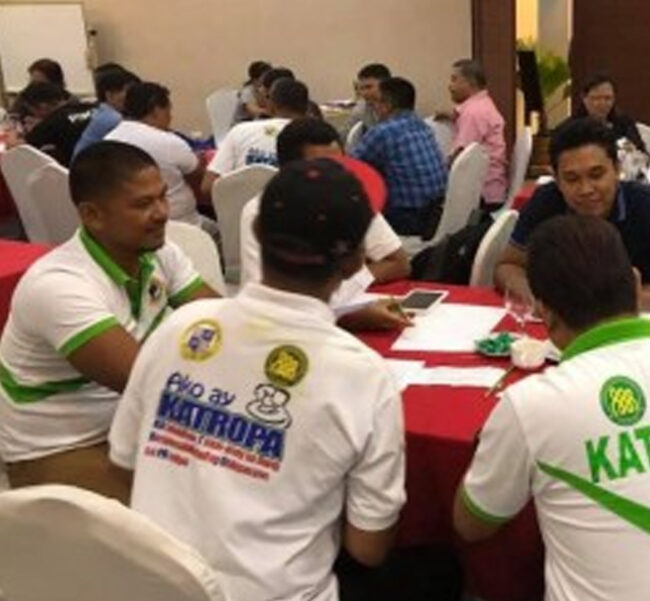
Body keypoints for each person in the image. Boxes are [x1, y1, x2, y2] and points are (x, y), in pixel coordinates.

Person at [109, 158, 406, 601]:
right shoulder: (366, 378)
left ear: (257, 233)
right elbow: (368, 547)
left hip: (155, 587)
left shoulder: (180, 327)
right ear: (354, 262)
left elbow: (123, 463)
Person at [455, 214, 650, 601]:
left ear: (544, 312)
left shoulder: (532, 405)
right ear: (636, 283)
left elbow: (472, 526)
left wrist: (493, 446)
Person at [0, 141, 217, 500]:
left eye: (162, 197)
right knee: (178, 513)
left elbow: (218, 322)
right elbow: (146, 382)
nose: (163, 213)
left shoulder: (159, 252)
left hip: (133, 421)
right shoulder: (59, 285)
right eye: (143, 204)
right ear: (92, 215)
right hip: (62, 446)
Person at [495, 118, 650, 311]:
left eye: (596, 175)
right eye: (572, 179)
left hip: (632, 323)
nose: (586, 189)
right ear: (556, 180)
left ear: (617, 169)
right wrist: (535, 299)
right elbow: (508, 266)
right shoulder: (545, 202)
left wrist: (625, 302)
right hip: (560, 322)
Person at [240, 117, 412, 330]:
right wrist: (347, 313)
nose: (334, 177)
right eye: (323, 168)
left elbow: (398, 262)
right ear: (288, 171)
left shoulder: (349, 197)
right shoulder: (263, 211)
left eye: (341, 166)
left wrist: (342, 289)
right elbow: (271, 303)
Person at [104, 82, 213, 232]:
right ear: (156, 110)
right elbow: (200, 179)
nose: (170, 117)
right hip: (183, 226)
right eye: (168, 111)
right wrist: (200, 160)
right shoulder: (168, 141)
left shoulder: (108, 141)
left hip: (131, 229)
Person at [352, 77, 447, 237]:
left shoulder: (383, 131)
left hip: (407, 218)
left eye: (376, 102)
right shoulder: (422, 125)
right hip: (436, 213)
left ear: (386, 105)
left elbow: (349, 167)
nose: (374, 107)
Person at [202, 78, 310, 195]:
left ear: (271, 105)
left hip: (240, 205)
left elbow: (208, 186)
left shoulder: (240, 131)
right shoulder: (315, 136)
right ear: (307, 108)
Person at [444, 59, 507, 207]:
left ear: (470, 82)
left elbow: (461, 157)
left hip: (481, 196)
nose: (450, 86)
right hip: (493, 190)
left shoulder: (473, 113)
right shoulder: (482, 104)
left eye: (454, 80)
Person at [563, 73, 646, 154]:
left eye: (607, 98)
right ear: (584, 99)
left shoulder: (624, 123)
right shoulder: (570, 128)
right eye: (596, 98)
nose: (602, 104)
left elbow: (642, 154)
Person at [18, 81, 95, 166]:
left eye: (31, 111)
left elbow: (21, 148)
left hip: (81, 168)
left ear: (43, 106)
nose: (33, 115)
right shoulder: (94, 107)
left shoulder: (54, 121)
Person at [73, 66, 141, 158]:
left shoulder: (101, 111)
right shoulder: (114, 119)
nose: (133, 98)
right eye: (129, 92)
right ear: (110, 95)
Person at [349, 62, 390, 132]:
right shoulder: (360, 110)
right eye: (361, 88)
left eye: (369, 87)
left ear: (385, 86)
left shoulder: (400, 108)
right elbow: (346, 135)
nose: (364, 93)